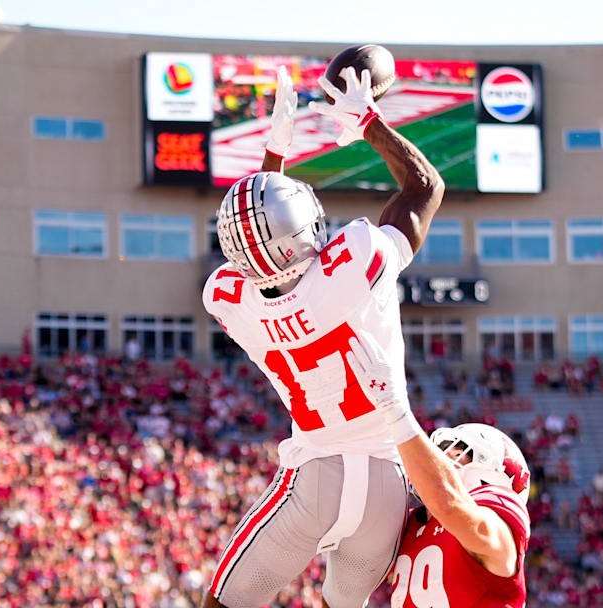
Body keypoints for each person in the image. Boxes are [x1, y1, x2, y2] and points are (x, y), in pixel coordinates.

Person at [202, 65, 445, 608]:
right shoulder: (358, 258)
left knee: (224, 603)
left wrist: (272, 157)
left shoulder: (227, 299)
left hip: (314, 479)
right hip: (387, 482)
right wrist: (368, 122)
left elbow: (260, 259)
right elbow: (424, 189)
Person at [344, 334, 529, 607]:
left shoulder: (497, 527)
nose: (438, 459)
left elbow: (450, 504)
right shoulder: (413, 525)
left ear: (491, 471)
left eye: (456, 451)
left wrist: (394, 409)